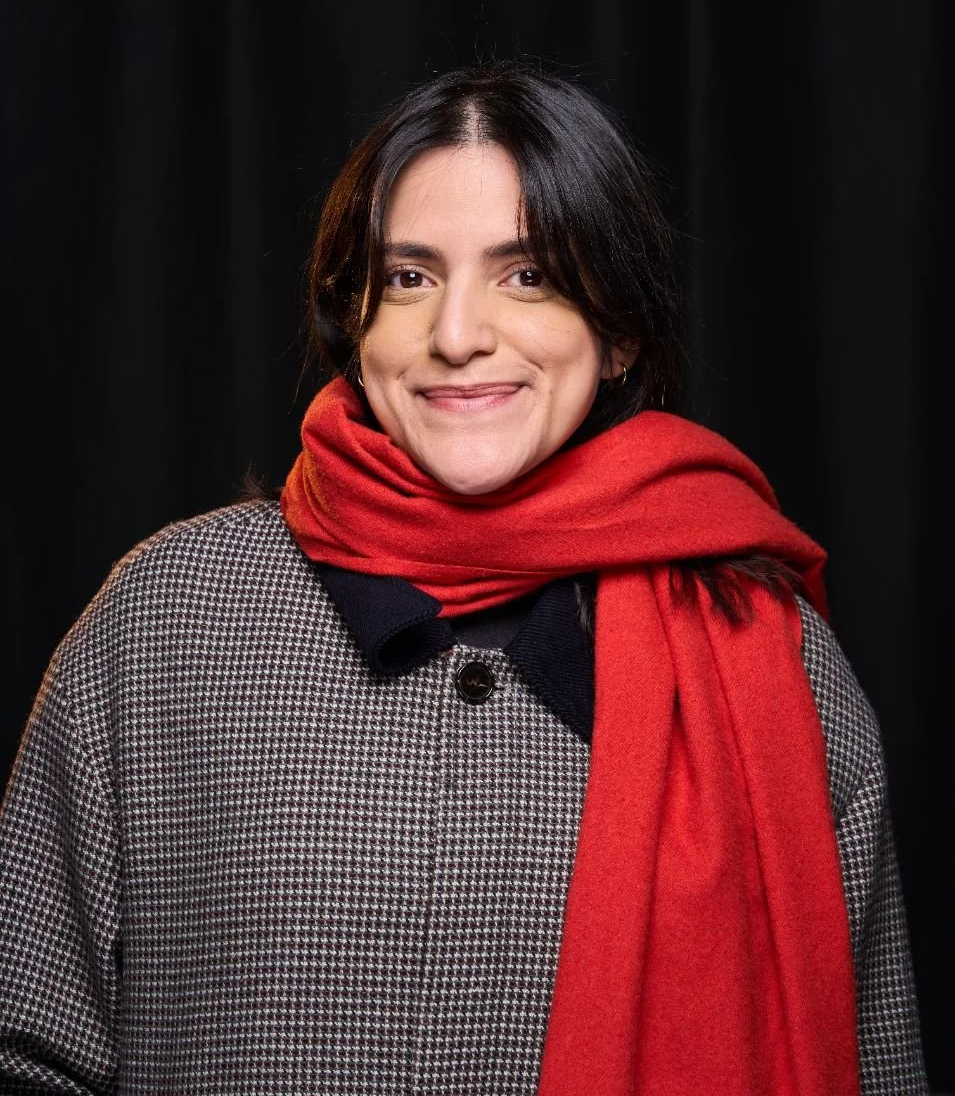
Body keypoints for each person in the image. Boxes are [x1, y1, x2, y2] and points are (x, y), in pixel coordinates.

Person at [0, 62, 927, 1095]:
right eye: (409, 277)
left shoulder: (768, 651)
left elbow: (867, 1066)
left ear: (617, 330)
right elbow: (25, 1046)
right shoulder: (168, 617)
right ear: (355, 319)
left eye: (527, 274)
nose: (456, 335)